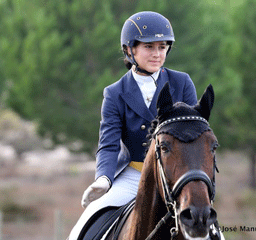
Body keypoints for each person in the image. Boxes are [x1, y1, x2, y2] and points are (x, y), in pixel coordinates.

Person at [68, 11, 198, 239]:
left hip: (173, 175)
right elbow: (108, 145)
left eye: (162, 47)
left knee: (209, 227)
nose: (157, 54)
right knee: (85, 223)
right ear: (130, 50)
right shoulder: (114, 93)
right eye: (149, 47)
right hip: (134, 176)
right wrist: (104, 179)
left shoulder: (182, 83)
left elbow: (193, 136)